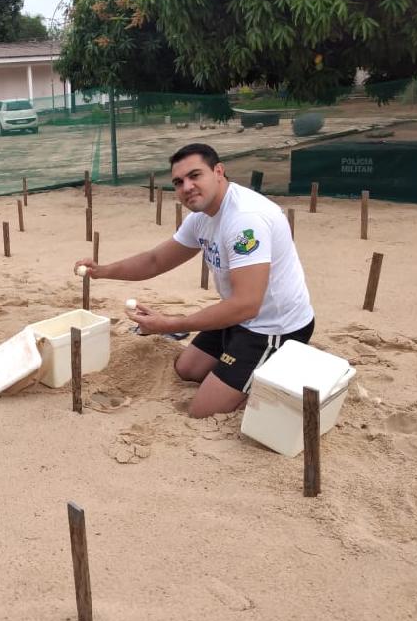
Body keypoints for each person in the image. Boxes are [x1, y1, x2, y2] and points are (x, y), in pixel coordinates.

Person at [74, 143, 314, 418]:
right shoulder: (202, 216)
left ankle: (273, 374)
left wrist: (172, 323)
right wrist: (103, 270)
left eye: (195, 175)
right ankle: (237, 369)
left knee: (201, 411)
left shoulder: (246, 221)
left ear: (219, 171)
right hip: (237, 318)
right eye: (178, 182)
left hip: (273, 328)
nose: (187, 187)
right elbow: (156, 260)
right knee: (186, 370)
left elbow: (247, 305)